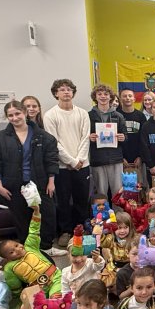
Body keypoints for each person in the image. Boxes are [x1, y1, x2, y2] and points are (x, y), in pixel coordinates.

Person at [0, 100, 58, 252]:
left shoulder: (44, 137)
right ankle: (26, 251)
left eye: (17, 113)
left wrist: (51, 182)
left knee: (47, 215)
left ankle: (46, 248)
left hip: (41, 183)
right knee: (21, 218)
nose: (14, 118)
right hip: (12, 185)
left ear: (25, 113)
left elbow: (51, 160)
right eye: (10, 115)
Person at [43, 79, 91, 248]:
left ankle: (82, 229)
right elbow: (53, 142)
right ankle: (65, 231)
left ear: (73, 92)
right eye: (62, 90)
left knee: (82, 199)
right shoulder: (50, 115)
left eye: (69, 89)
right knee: (63, 201)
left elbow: (86, 138)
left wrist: (79, 160)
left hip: (82, 165)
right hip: (63, 167)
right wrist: (70, 161)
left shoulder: (83, 113)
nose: (66, 92)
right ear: (56, 93)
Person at [0, 205, 62, 299]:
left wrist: (36, 212)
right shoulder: (9, 267)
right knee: (28, 307)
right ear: (7, 258)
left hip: (55, 276)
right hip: (38, 287)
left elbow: (34, 231)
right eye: (12, 252)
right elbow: (13, 282)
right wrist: (19, 293)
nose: (18, 249)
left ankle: (55, 298)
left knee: (55, 298)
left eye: (16, 245)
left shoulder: (30, 246)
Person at [87, 84, 127, 198]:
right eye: (99, 94)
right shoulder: (88, 116)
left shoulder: (118, 116)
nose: (103, 96)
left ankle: (119, 215)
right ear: (95, 97)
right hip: (97, 159)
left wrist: (123, 137)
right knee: (100, 193)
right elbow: (83, 136)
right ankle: (101, 215)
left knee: (118, 193)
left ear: (111, 97)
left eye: (106, 94)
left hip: (115, 158)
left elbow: (125, 135)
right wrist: (89, 137)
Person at [116, 88, 147, 171]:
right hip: (120, 159)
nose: (127, 98)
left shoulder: (141, 116)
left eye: (130, 96)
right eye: (124, 96)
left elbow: (144, 139)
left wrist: (141, 156)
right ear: (120, 99)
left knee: (139, 184)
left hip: (138, 159)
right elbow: (114, 139)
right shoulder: (115, 116)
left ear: (134, 99)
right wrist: (120, 158)